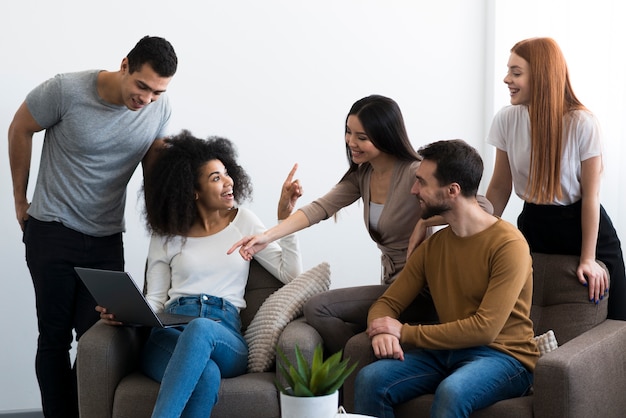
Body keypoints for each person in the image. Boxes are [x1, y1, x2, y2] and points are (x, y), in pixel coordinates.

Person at [229, 95, 492, 354]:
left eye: (362, 137)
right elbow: (320, 208)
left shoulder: (414, 173)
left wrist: (424, 222)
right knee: (326, 313)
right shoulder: (364, 175)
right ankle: (367, 360)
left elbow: (481, 206)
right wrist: (267, 236)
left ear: (385, 136)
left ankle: (357, 362)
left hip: (422, 289)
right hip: (392, 286)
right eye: (348, 132)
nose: (351, 142)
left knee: (318, 308)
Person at [7, 35, 178, 418]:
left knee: (98, 340)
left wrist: (166, 224)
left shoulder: (159, 108)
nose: (147, 98)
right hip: (52, 229)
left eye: (157, 91)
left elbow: (153, 168)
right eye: (142, 86)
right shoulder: (66, 90)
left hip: (105, 238)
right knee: (53, 338)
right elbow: (20, 127)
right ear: (124, 65)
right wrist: (20, 200)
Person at [98, 131, 303, 417]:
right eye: (216, 178)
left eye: (227, 173)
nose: (229, 181)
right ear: (193, 191)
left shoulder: (243, 222)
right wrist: (125, 313)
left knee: (201, 327)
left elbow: (290, 274)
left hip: (223, 334)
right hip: (168, 333)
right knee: (205, 376)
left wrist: (285, 219)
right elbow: (155, 300)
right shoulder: (166, 234)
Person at [354, 139, 538, 418]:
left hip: (505, 357)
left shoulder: (509, 245)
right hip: (447, 352)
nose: (413, 190)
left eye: (422, 183)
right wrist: (380, 330)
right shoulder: (434, 246)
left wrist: (404, 333)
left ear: (452, 191)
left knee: (452, 392)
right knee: (370, 380)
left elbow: (484, 329)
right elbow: (387, 303)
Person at [485, 37, 626, 320]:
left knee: (618, 316)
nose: (506, 79)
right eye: (508, 71)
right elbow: (500, 186)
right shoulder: (506, 119)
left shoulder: (582, 123)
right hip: (535, 224)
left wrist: (588, 258)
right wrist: (476, 235)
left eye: (516, 72)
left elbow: (591, 197)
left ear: (541, 75)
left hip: (582, 226)